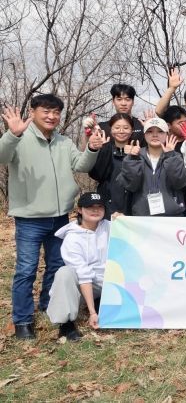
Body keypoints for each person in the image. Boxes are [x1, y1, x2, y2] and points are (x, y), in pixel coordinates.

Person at [0, 95, 104, 339]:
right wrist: (12, 135)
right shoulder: (19, 138)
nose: (51, 116)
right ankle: (23, 320)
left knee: (57, 266)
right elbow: (2, 157)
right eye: (46, 111)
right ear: (33, 112)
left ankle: (48, 305)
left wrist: (92, 148)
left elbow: (81, 165)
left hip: (60, 217)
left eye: (56, 112)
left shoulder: (63, 142)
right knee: (26, 269)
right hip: (29, 218)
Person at [45, 193, 112, 341]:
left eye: (99, 207)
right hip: (85, 285)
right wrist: (92, 312)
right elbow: (83, 275)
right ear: (80, 210)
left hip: (111, 282)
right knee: (64, 273)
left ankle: (103, 303)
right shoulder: (72, 238)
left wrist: (123, 220)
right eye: (90, 207)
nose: (95, 210)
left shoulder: (110, 227)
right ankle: (66, 324)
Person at [117, 117, 186, 216]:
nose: (155, 135)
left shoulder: (175, 156)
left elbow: (180, 183)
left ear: (167, 134)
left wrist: (170, 156)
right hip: (142, 217)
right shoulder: (135, 156)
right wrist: (133, 159)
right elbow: (131, 186)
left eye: (160, 131)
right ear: (144, 134)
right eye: (150, 131)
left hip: (171, 217)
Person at [88, 113, 135, 217]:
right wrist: (103, 150)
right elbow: (95, 175)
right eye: (117, 128)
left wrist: (134, 156)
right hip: (107, 208)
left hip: (132, 210)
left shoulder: (138, 151)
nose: (121, 131)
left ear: (132, 130)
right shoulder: (105, 149)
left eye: (126, 128)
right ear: (111, 130)